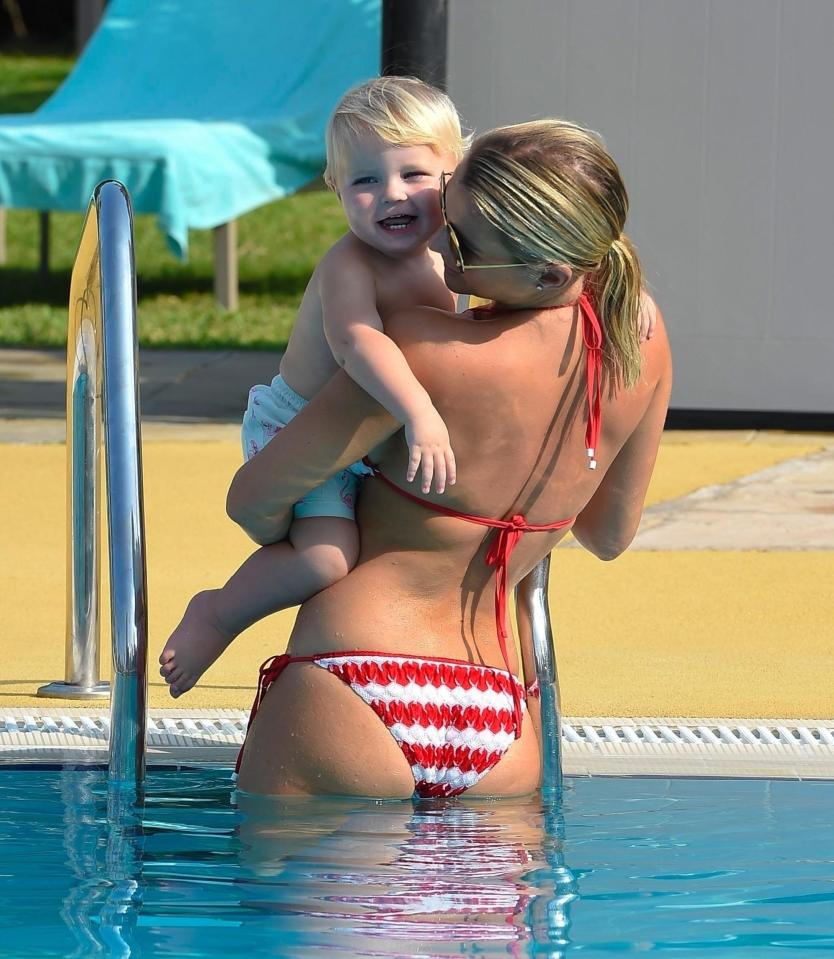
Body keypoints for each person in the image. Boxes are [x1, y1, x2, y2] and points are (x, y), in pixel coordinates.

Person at [224, 117, 673, 800]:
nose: (441, 247)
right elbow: (608, 535)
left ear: (548, 268)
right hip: (496, 713)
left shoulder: (420, 352)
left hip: (355, 684)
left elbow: (253, 497)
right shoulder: (642, 342)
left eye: (462, 241)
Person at [159, 77, 469, 697]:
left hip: (372, 434)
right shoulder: (349, 264)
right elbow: (361, 344)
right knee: (324, 558)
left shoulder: (450, 255)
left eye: (413, 174)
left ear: (453, 175)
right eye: (364, 181)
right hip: (297, 425)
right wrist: (420, 413)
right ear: (335, 189)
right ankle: (218, 613)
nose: (390, 195)